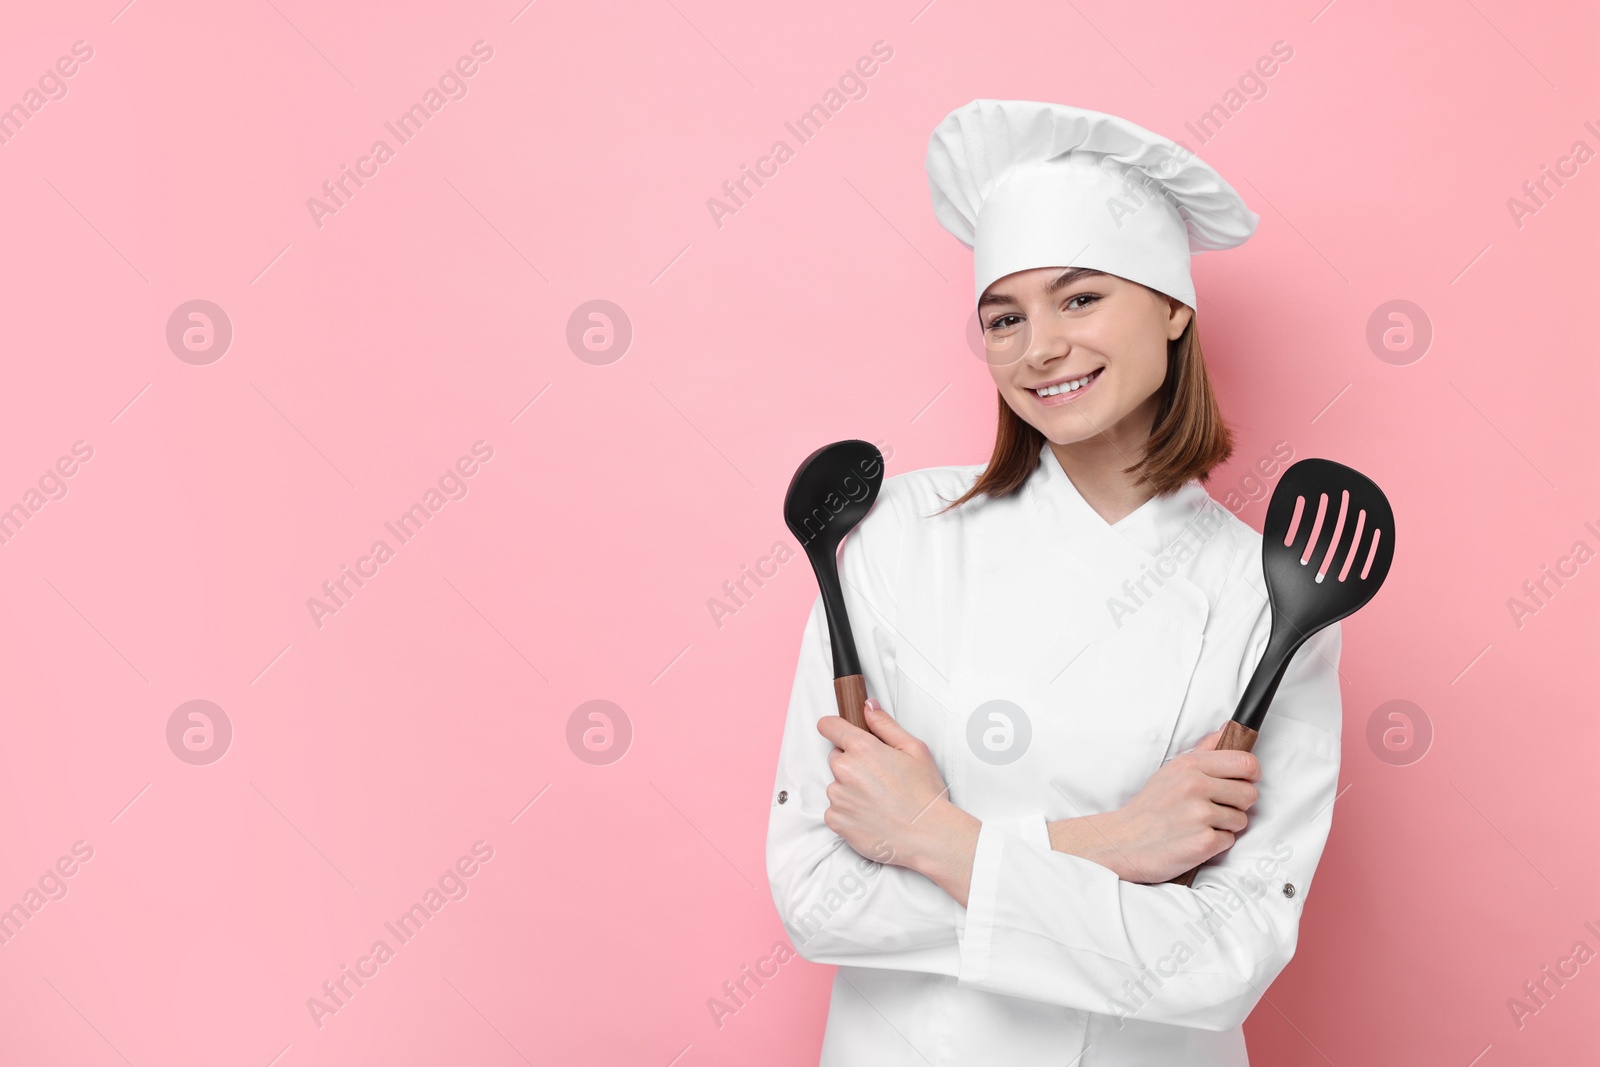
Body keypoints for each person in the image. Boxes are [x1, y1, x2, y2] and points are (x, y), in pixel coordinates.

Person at [765, 99, 1343, 1066]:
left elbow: (1227, 958)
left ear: (1171, 307)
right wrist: (1111, 845)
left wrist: (934, 840)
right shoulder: (891, 536)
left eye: (1079, 299)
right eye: (1004, 316)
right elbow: (818, 898)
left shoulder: (1273, 592)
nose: (1038, 349)